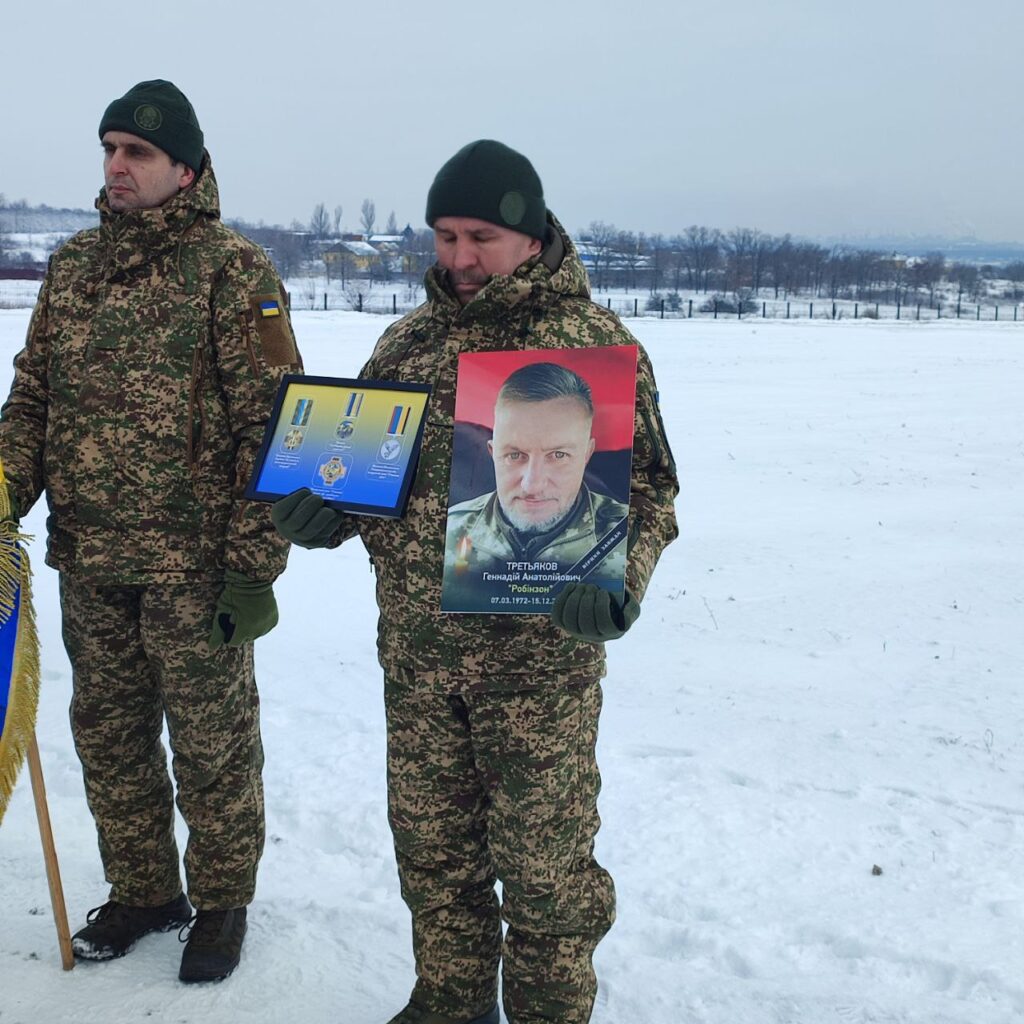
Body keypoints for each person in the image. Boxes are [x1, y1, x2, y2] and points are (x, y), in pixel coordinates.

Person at [272, 139, 678, 1024]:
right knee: (435, 860)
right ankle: (451, 1003)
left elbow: (652, 494)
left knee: (546, 879)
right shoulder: (409, 341)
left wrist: (623, 584)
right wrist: (323, 514)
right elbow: (364, 477)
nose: (457, 258)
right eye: (445, 236)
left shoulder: (599, 348)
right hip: (419, 668)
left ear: (530, 237)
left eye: (480, 237)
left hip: (540, 675)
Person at [0, 80, 302, 983]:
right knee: (109, 732)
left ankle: (220, 901)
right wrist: (3, 486)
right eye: (109, 149)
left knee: (212, 739)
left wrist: (255, 569)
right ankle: (144, 890)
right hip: (90, 556)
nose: (116, 166)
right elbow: (35, 399)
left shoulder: (233, 270)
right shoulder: (74, 268)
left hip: (195, 569)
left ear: (186, 169)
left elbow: (275, 427)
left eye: (137, 152)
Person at [442, 361, 629, 608]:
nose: (532, 485)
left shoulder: (619, 531)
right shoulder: (455, 526)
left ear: (587, 454)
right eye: (515, 455)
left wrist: (625, 598)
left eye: (558, 455)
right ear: (492, 452)